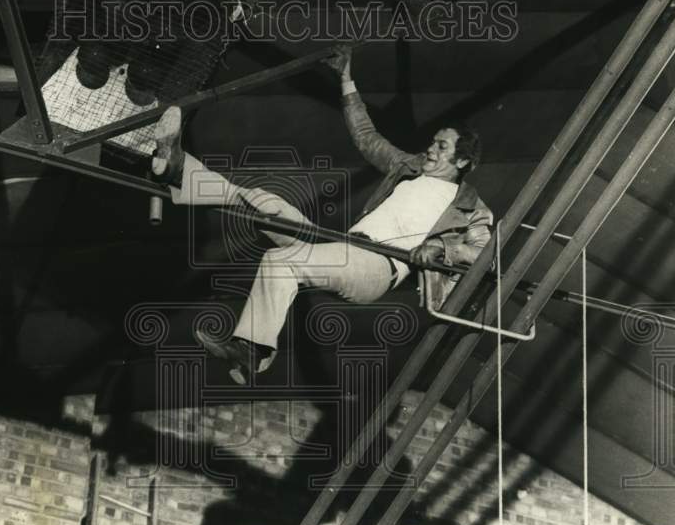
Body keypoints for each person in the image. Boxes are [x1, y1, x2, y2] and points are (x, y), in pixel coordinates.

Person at [150, 45, 493, 383]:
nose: (431, 149)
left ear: (462, 162)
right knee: (263, 204)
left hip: (377, 268)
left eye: (441, 146)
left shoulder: (470, 208)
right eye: (434, 142)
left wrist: (445, 250)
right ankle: (179, 171)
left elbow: (486, 257)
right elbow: (366, 138)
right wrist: (346, 79)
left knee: (280, 260)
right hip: (343, 246)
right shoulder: (409, 167)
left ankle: (251, 349)